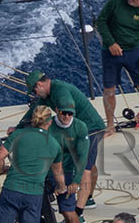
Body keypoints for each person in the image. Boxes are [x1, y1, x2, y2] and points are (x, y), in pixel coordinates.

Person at [18, 70, 107, 215]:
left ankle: (78, 214)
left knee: (84, 167)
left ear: (39, 84)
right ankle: (88, 198)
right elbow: (34, 109)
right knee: (91, 163)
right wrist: (18, 126)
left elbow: (71, 120)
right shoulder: (48, 94)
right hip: (90, 126)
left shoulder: (61, 94)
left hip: (91, 129)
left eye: (34, 90)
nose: (35, 94)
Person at [0, 105, 66, 223]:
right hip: (33, 195)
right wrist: (61, 187)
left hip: (11, 190)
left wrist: (2, 170)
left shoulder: (18, 134)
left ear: (33, 119)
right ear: (49, 122)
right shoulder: (54, 144)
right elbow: (58, 173)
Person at [95, 0, 139, 126]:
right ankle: (110, 125)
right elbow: (101, 21)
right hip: (111, 52)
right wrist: (110, 43)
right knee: (109, 91)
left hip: (133, 52)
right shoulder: (115, 2)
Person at [46, 102, 89, 223]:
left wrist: (76, 181)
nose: (67, 116)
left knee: (68, 211)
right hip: (46, 171)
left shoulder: (80, 127)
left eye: (70, 114)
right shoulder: (47, 125)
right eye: (64, 113)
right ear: (57, 110)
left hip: (67, 172)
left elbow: (82, 157)